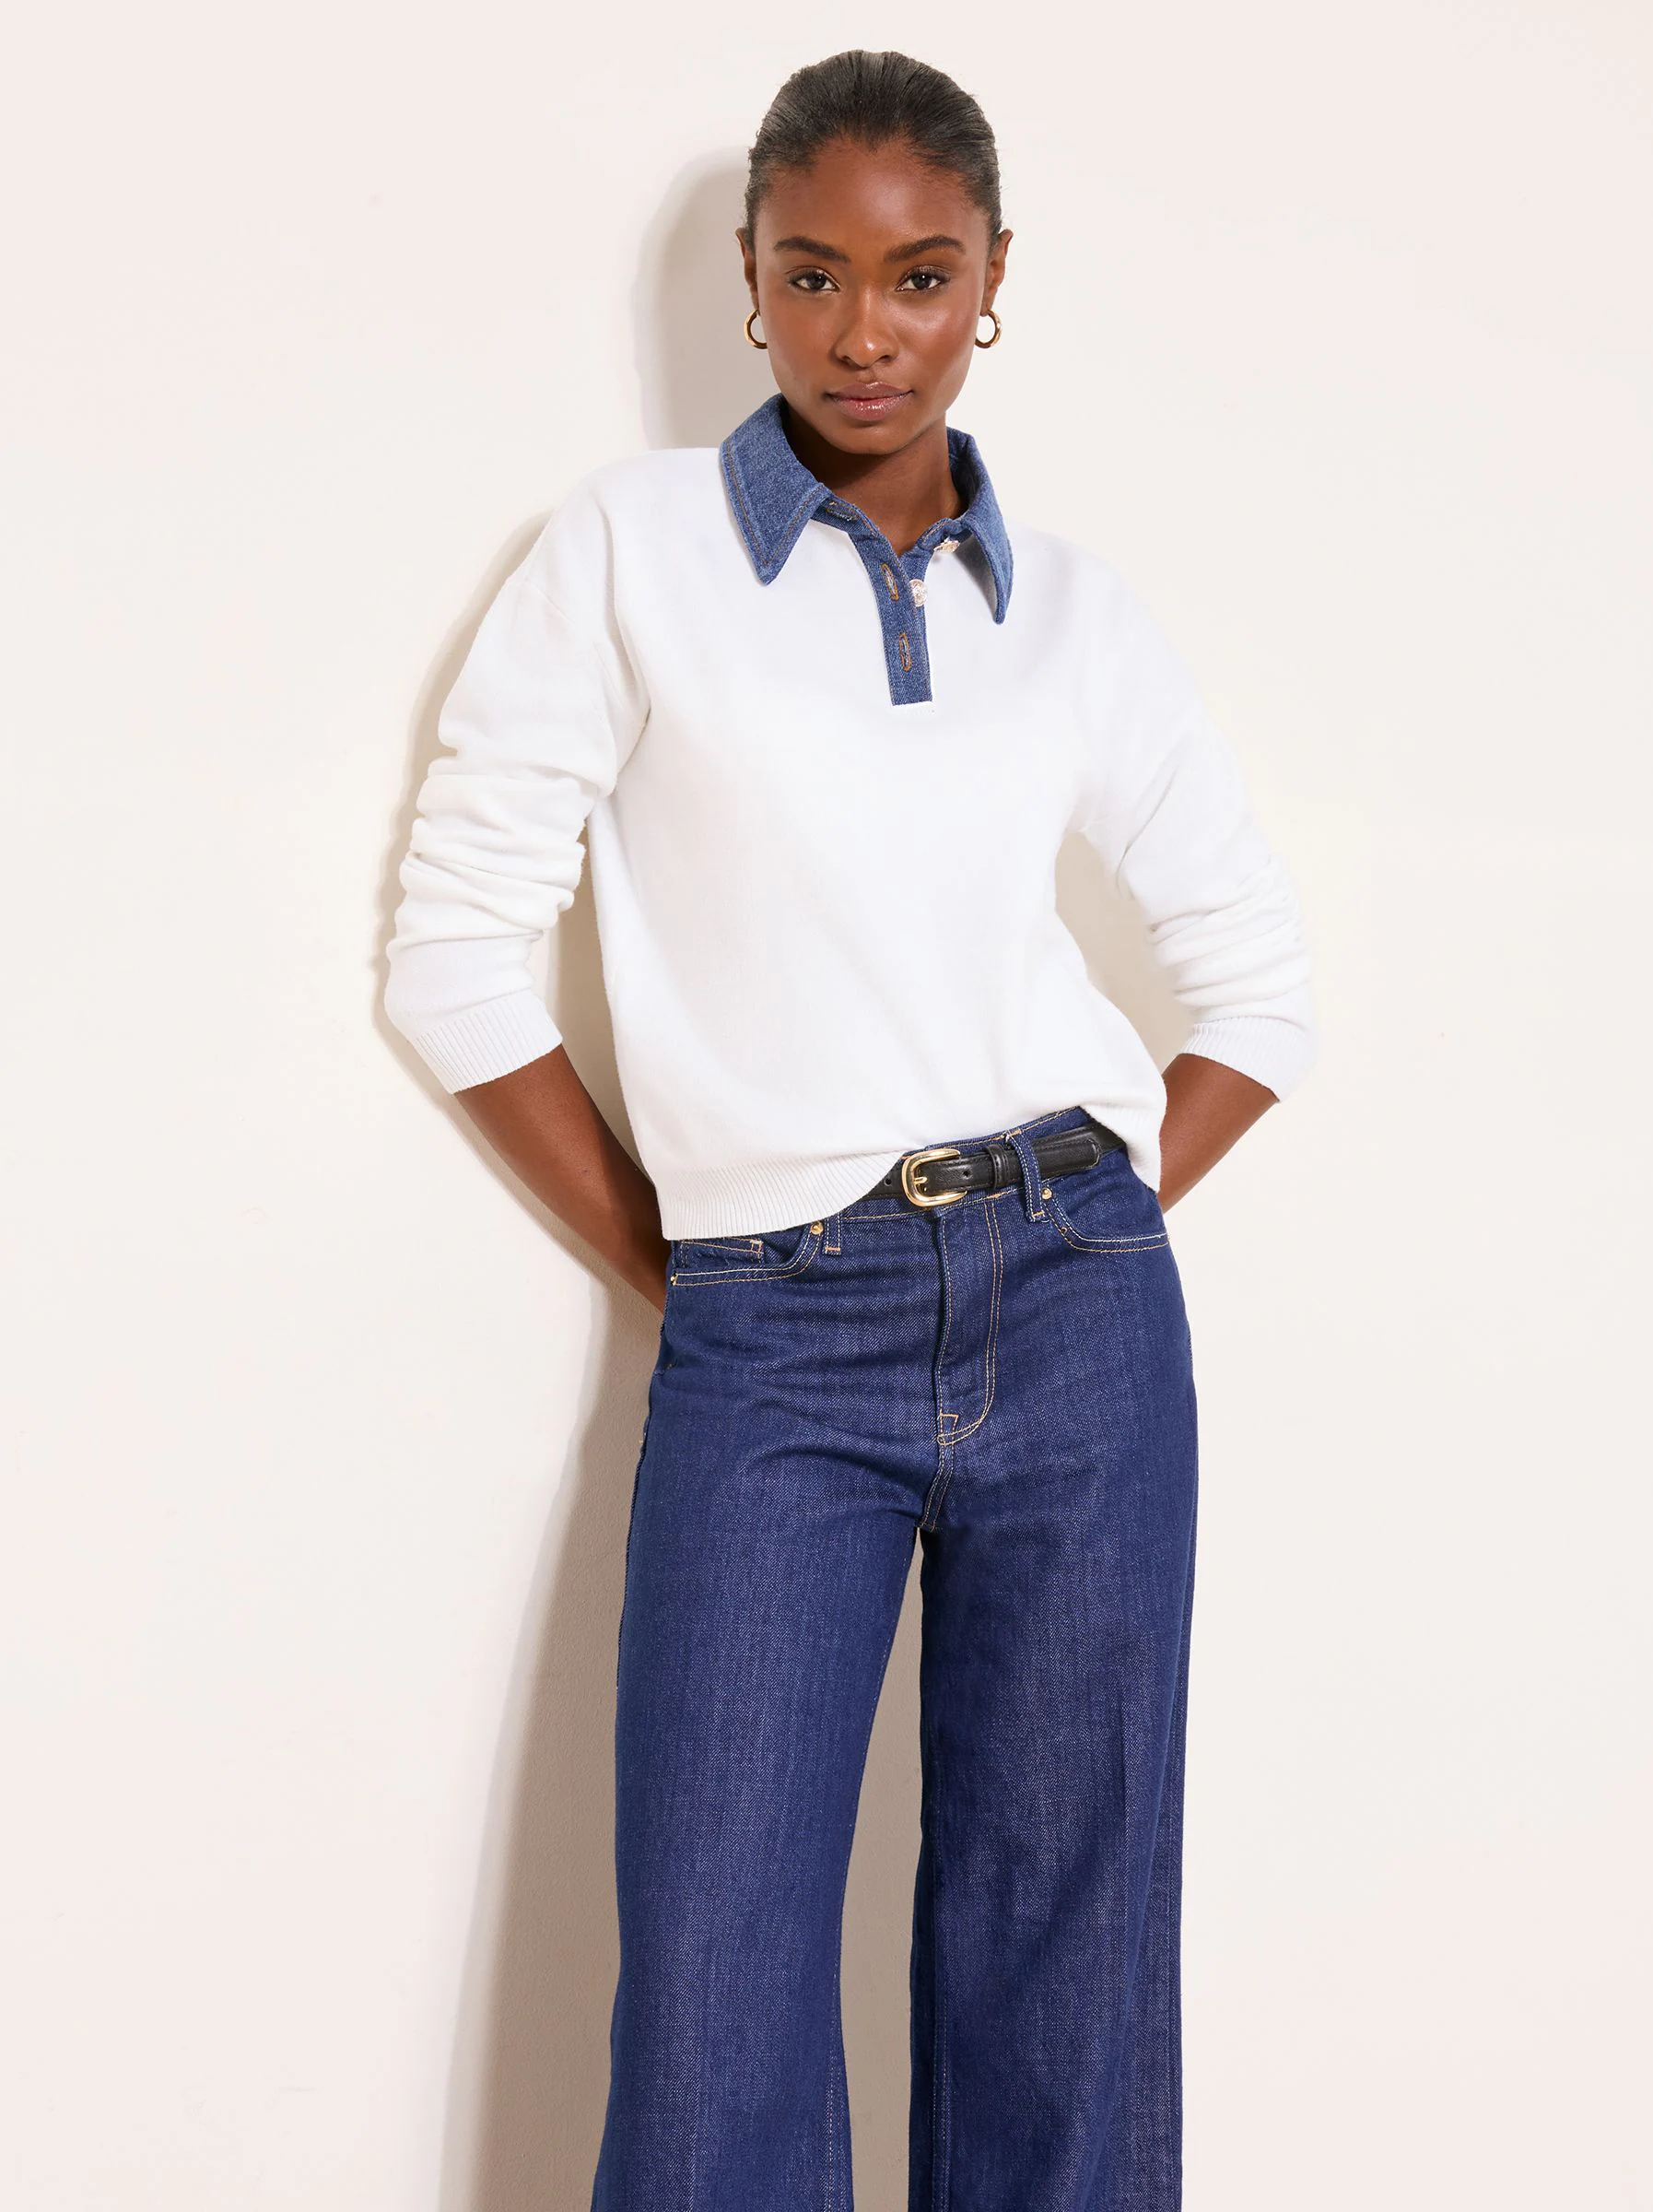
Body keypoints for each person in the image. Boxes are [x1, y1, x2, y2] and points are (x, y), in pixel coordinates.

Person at [383, 47, 1317, 2212]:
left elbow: (1257, 984)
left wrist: (1091, 1226)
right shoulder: (630, 552)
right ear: (750, 277)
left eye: (919, 277)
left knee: (1065, 1968)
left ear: (993, 281)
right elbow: (454, 958)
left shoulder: (1072, 612)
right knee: (715, 2001)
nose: (864, 332)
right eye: (813, 275)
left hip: (1083, 1321)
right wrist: (696, 1261)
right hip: (774, 1330)